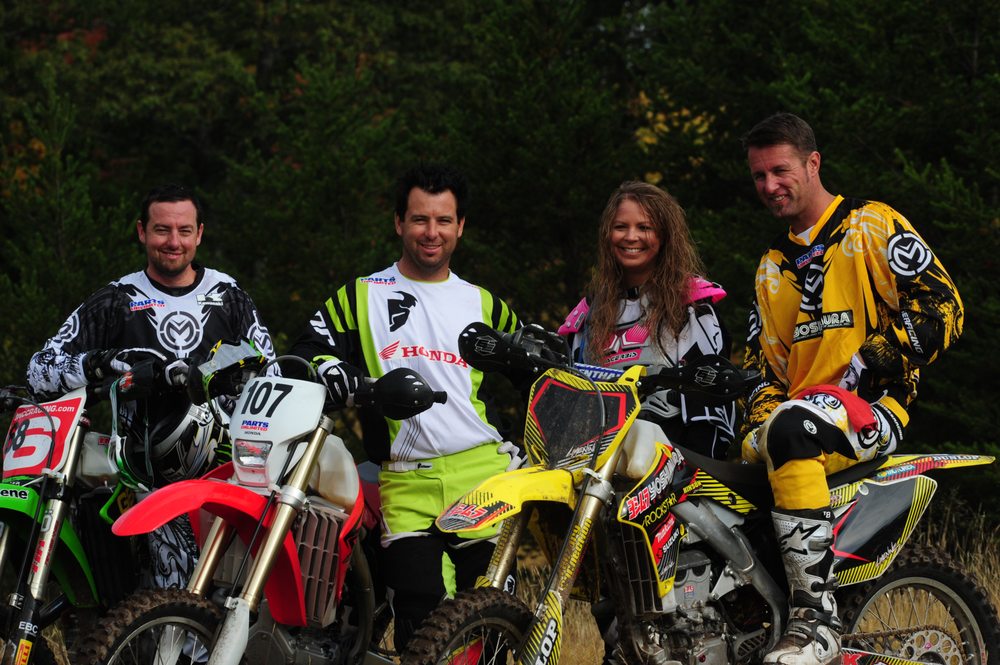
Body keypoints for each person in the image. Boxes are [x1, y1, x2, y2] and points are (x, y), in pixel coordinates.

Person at [739, 113, 964, 664]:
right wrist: (758, 422)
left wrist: (880, 352)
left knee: (790, 429)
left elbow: (945, 306)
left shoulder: (871, 225)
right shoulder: (771, 267)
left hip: (873, 409)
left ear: (813, 163)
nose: (770, 185)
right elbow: (766, 372)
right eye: (759, 175)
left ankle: (816, 619)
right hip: (799, 415)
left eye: (781, 170)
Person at [288, 164, 521, 650]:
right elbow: (307, 350)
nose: (431, 232)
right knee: (420, 626)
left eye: (443, 220)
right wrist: (334, 369)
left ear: (460, 226)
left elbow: (535, 373)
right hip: (405, 483)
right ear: (399, 223)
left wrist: (532, 445)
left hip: (485, 477)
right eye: (419, 219)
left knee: (492, 626)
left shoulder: (484, 303)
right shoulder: (360, 296)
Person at [26, 182, 275, 589]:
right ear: (142, 232)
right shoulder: (116, 300)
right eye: (162, 230)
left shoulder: (228, 296)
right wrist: (104, 363)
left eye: (184, 230)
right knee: (157, 603)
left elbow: (271, 375)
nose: (173, 242)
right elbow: (40, 372)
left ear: (199, 234)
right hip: (142, 479)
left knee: (229, 599)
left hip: (228, 479)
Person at [558, 181, 736, 460]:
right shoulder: (587, 314)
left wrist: (689, 468)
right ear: (607, 234)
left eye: (644, 227)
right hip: (594, 457)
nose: (631, 237)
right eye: (621, 227)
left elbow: (710, 400)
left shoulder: (691, 305)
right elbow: (569, 398)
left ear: (665, 235)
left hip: (671, 459)